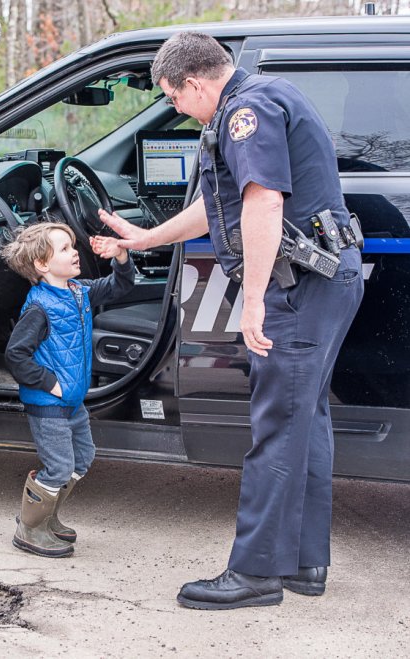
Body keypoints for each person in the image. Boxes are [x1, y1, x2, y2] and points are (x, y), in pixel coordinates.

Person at [96, 32, 363, 609]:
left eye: (172, 98)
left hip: (301, 288)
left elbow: (263, 202)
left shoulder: (246, 113)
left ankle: (257, 574)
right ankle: (303, 563)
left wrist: (257, 298)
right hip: (326, 280)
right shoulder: (265, 95)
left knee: (275, 428)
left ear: (194, 83)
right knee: (303, 420)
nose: (174, 109)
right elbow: (218, 206)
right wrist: (146, 237)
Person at [1, 223, 134, 557]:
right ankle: (30, 530)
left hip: (73, 403)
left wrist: (120, 256)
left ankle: (47, 517)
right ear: (42, 265)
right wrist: (51, 383)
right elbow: (15, 354)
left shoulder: (78, 292)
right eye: (64, 248)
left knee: (83, 457)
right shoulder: (39, 307)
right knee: (58, 467)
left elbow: (120, 285)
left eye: (72, 246)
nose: (75, 252)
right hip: (50, 404)